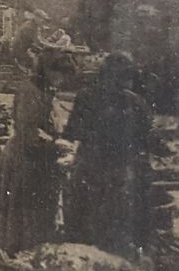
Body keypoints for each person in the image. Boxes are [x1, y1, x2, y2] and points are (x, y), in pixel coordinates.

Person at [61, 51, 152, 258]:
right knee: (116, 233)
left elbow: (71, 132)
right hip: (119, 174)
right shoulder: (136, 103)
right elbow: (147, 140)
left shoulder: (86, 96)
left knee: (84, 231)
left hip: (89, 170)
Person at [0, 48, 77, 256]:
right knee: (24, 215)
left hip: (34, 158)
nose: (61, 81)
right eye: (59, 75)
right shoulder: (31, 93)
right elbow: (29, 133)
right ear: (48, 71)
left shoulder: (43, 91)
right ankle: (18, 256)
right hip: (26, 161)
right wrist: (56, 144)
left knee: (32, 215)